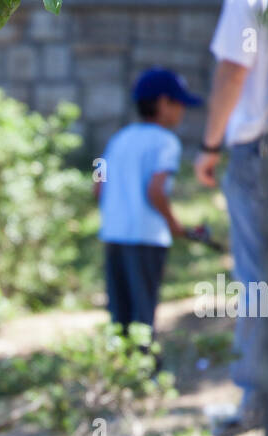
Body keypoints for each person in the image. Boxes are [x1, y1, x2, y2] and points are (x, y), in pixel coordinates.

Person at [195, 0, 268, 436]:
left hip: (259, 151)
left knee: (260, 277)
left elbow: (233, 70)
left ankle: (258, 401)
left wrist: (209, 148)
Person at [95, 67, 204, 355]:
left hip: (114, 232)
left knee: (120, 309)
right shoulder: (166, 142)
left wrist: (112, 209)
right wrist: (173, 224)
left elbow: (97, 179)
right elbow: (156, 190)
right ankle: (145, 371)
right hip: (146, 236)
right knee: (144, 308)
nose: (181, 112)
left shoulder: (119, 138)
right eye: (179, 104)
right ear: (163, 103)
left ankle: (122, 367)